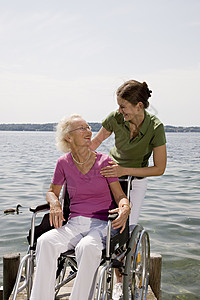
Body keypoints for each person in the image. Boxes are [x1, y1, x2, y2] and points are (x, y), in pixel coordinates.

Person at [30, 114, 130, 300]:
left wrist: (125, 207)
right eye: (82, 128)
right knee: (45, 241)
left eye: (88, 127)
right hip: (74, 224)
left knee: (87, 247)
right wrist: (54, 203)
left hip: (102, 224)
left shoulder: (104, 161)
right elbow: (52, 191)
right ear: (68, 136)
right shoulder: (63, 163)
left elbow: (120, 196)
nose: (89, 131)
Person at [90, 79, 167, 298]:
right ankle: (95, 265)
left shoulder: (155, 127)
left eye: (123, 106)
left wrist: (125, 170)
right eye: (118, 105)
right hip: (111, 174)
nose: (119, 110)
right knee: (103, 223)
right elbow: (94, 144)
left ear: (139, 106)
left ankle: (118, 280)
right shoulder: (115, 118)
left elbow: (159, 168)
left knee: (124, 228)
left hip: (137, 178)